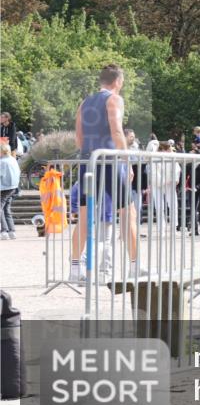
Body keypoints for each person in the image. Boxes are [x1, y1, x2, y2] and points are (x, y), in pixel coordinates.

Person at [69, 64, 139, 281]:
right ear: (118, 81)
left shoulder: (85, 102)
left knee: (83, 215)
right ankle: (135, 267)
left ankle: (74, 268)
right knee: (128, 212)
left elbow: (78, 137)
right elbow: (117, 130)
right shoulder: (115, 99)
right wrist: (127, 161)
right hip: (108, 160)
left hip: (87, 159)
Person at [147, 141, 181, 234]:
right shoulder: (154, 157)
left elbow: (177, 169)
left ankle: (174, 227)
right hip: (157, 183)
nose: (171, 150)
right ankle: (161, 228)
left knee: (173, 205)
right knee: (159, 206)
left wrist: (175, 179)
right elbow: (153, 172)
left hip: (169, 183)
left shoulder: (172, 156)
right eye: (169, 148)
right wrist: (162, 181)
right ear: (163, 149)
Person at [0, 143, 18, 239]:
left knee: (1, 208)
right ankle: (12, 231)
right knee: (6, 209)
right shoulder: (13, 160)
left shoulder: (2, 162)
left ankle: (4, 231)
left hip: (4, 187)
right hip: (13, 187)